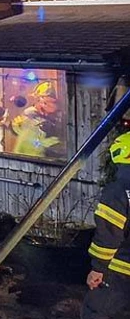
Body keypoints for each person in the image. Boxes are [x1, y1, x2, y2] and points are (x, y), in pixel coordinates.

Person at [83, 130, 130, 318]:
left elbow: (109, 233)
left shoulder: (119, 189)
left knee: (97, 311)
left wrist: (98, 269)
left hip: (121, 272)